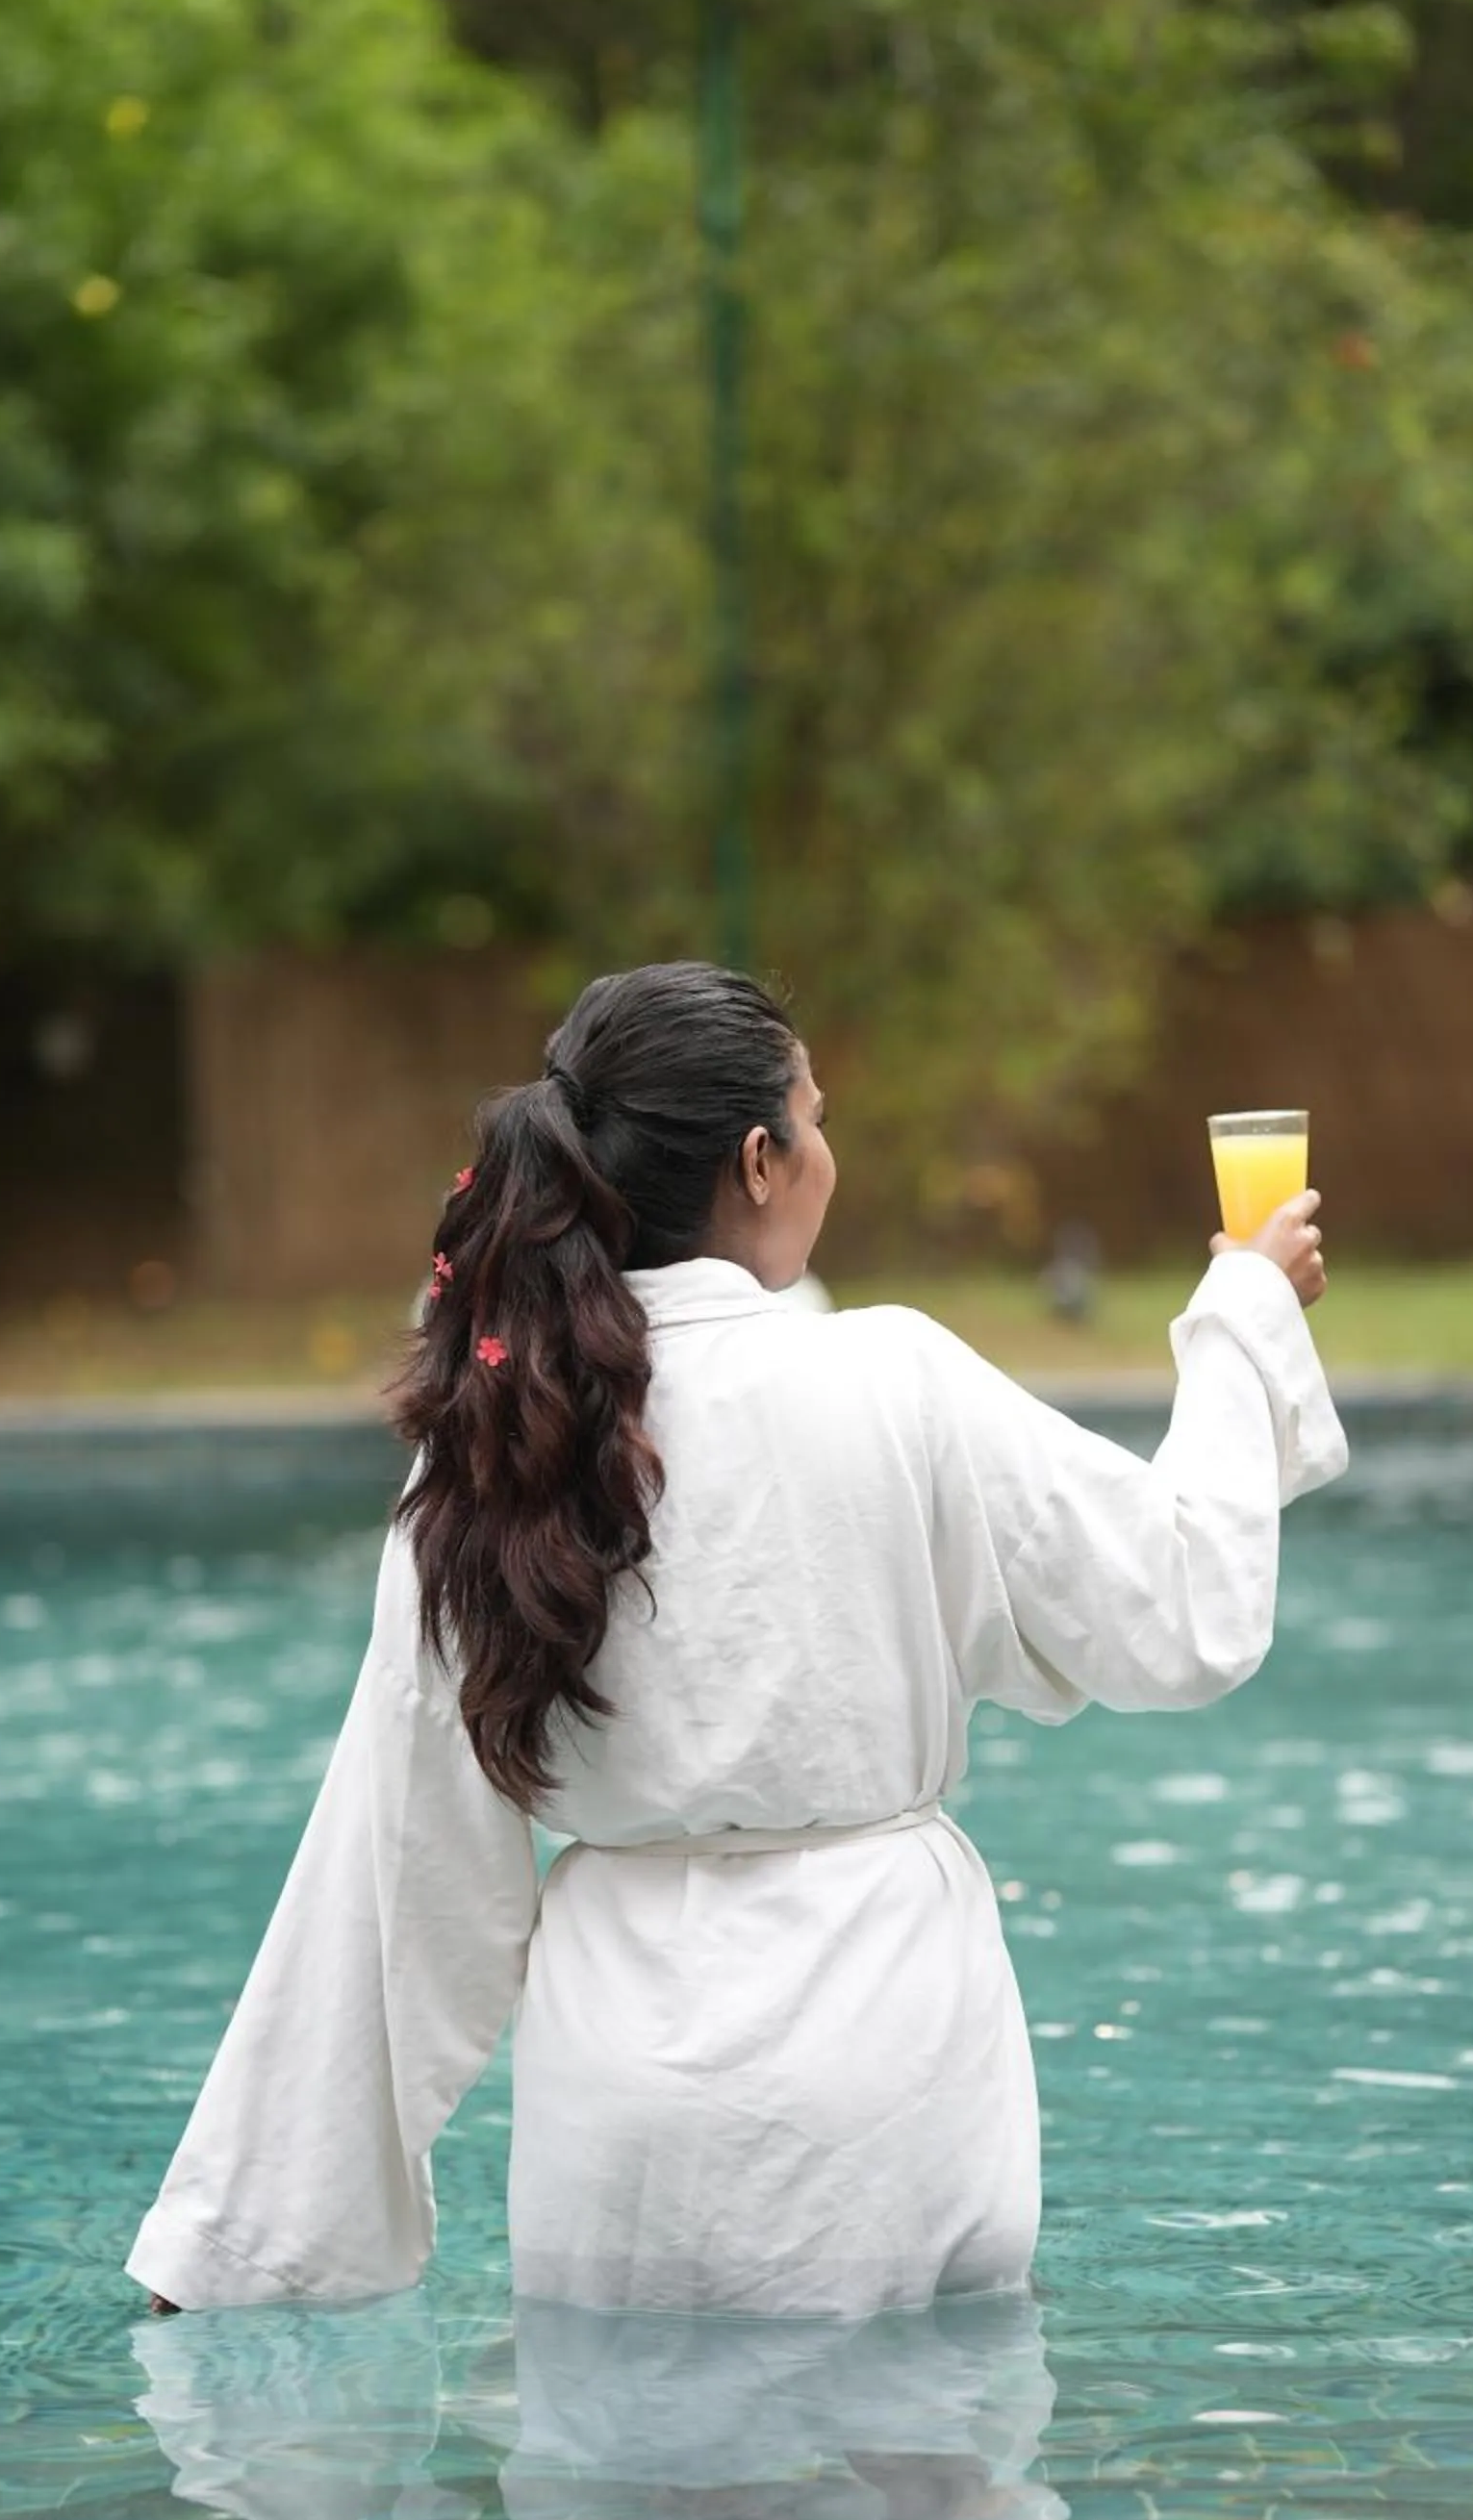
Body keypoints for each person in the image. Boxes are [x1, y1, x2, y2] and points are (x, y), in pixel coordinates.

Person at [126, 961, 1345, 2322]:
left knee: (621, 2507)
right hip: (885, 2065)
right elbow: (1179, 1606)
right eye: (816, 1122)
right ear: (760, 1161)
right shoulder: (891, 1377)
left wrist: (241, 2244)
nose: (830, 1155)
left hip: (620, 2113)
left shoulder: (497, 1449)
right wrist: (1241, 1319)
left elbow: (396, 1872)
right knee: (911, 2490)